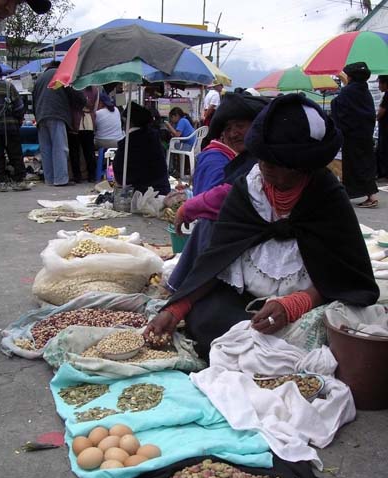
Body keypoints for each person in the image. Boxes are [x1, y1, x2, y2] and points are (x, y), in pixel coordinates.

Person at [144, 93, 379, 359]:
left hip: (311, 303)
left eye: (279, 164)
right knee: (206, 320)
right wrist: (176, 308)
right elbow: (216, 259)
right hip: (246, 300)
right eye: (263, 159)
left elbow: (346, 274)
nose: (266, 168)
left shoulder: (327, 196)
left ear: (306, 168)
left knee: (331, 334)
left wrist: (296, 303)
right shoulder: (248, 190)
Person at [167, 93, 268, 292]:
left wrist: (189, 208)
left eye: (240, 126)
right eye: (228, 128)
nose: (233, 133)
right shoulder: (222, 158)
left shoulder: (262, 158)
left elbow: (229, 197)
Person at [331, 62, 378, 208]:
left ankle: (357, 195)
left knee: (354, 166)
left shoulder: (348, 91)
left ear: (351, 76)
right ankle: (370, 195)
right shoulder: (364, 89)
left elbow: (339, 108)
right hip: (365, 134)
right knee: (366, 164)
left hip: (352, 135)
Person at [32, 61, 79, 186]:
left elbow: (33, 99)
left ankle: (49, 179)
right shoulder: (60, 75)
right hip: (56, 114)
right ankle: (60, 179)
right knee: (59, 148)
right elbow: (76, 94)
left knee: (46, 149)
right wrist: (82, 102)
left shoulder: (40, 79)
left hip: (41, 117)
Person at [0, 61, 30, 192]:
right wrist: (18, 120)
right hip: (11, 127)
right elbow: (19, 106)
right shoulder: (8, 86)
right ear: (0, 74)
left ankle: (2, 183)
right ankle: (19, 181)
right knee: (15, 153)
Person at [113, 102, 170, 195]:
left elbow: (119, 175)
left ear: (129, 122)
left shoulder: (127, 142)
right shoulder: (154, 136)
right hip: (163, 190)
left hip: (140, 194)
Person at [68, 86, 98, 183]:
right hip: (89, 121)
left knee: (74, 151)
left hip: (75, 121)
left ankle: (77, 176)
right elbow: (95, 107)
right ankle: (91, 175)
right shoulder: (95, 89)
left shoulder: (74, 87)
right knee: (89, 150)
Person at [376, 75, 388, 182]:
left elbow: (381, 112)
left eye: (380, 83)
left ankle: (384, 175)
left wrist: (375, 118)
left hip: (385, 128)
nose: (379, 86)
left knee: (384, 149)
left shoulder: (387, 96)